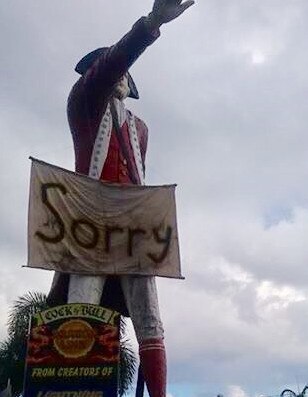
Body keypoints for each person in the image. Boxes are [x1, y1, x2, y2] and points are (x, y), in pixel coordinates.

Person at [47, 1, 194, 396]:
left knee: (150, 319)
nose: (121, 75)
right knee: (82, 310)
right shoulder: (84, 105)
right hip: (88, 223)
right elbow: (112, 63)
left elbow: (136, 173)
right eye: (114, 67)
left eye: (126, 73)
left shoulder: (139, 128)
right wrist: (151, 24)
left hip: (132, 226)